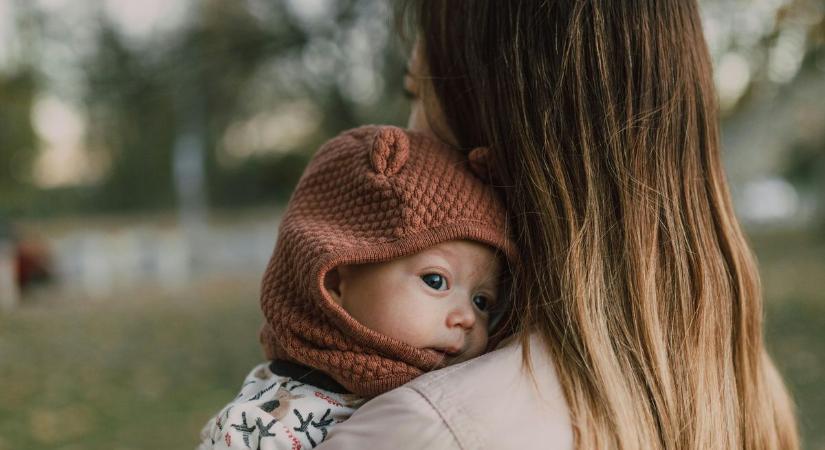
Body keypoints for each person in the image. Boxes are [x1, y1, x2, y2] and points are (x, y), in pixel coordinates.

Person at [312, 1, 800, 449]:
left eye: (418, 92)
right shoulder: (740, 377)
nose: (406, 131)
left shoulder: (428, 428)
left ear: (494, 132)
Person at [198, 125, 517, 449]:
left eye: (482, 301)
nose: (466, 317)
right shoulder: (265, 424)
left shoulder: (463, 397)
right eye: (435, 281)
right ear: (335, 279)